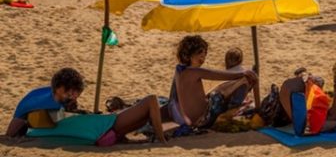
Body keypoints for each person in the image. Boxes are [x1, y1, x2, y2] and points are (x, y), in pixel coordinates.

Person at [7, 67, 167, 144]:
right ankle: (162, 141)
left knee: (142, 114)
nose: (74, 97)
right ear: (61, 89)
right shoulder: (46, 102)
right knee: (150, 101)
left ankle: (128, 138)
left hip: (102, 131)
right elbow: (14, 129)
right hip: (104, 127)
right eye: (72, 93)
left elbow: (18, 126)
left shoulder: (47, 98)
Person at [275, 31, 336, 136]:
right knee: (304, 84)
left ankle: (300, 120)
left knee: (288, 87)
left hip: (332, 118)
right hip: (335, 114)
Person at [161, 36, 258, 131]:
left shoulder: (179, 71)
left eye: (204, 56)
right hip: (204, 118)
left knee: (218, 91)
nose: (203, 59)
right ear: (190, 55)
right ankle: (234, 109)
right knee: (241, 82)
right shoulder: (195, 72)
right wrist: (243, 73)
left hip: (193, 119)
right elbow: (220, 75)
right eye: (200, 55)